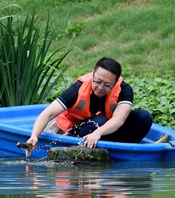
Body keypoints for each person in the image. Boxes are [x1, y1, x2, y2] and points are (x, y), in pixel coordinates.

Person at [24, 57, 153, 156]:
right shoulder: (78, 88)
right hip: (76, 132)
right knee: (99, 121)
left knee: (144, 117)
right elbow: (48, 113)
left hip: (102, 132)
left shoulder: (124, 90)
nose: (101, 88)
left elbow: (119, 119)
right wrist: (34, 135)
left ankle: (122, 152)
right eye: (98, 81)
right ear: (93, 74)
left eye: (107, 85)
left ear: (116, 82)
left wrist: (98, 133)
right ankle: (77, 150)